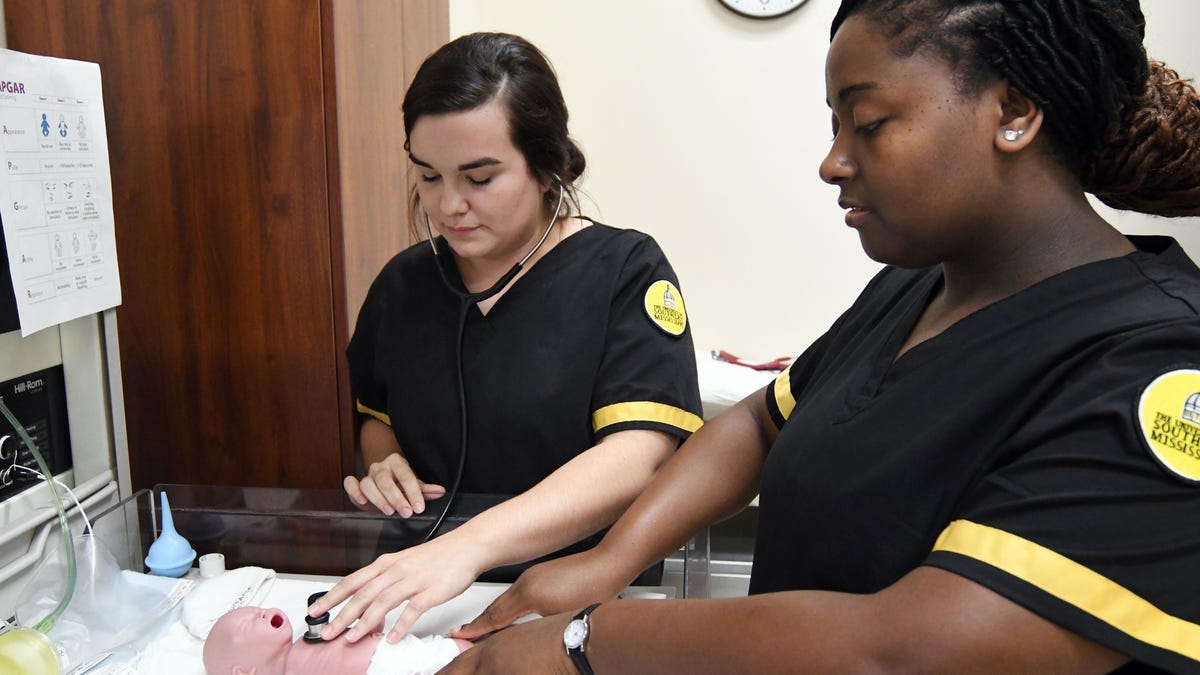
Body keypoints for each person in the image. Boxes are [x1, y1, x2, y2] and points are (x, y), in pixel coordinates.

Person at [433, 1, 1200, 673]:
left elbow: (913, 651)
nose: (833, 162)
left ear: (1015, 111)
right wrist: (608, 559)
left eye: (868, 123)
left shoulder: (1158, 361)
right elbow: (758, 421)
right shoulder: (914, 290)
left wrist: (589, 639)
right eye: (835, 125)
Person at [308, 32, 703, 643]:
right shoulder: (404, 284)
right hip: (418, 596)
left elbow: (639, 455)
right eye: (429, 176)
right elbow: (377, 413)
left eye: (480, 177)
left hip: (570, 600)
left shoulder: (624, 271)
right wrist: (384, 461)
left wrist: (466, 548)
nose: (449, 205)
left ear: (547, 168)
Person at [201, 606, 471, 675]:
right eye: (248, 623)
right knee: (463, 657)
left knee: (458, 649)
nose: (260, 614)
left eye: (256, 610)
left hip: (389, 650)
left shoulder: (306, 639)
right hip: (384, 666)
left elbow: (351, 633)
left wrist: (370, 619)